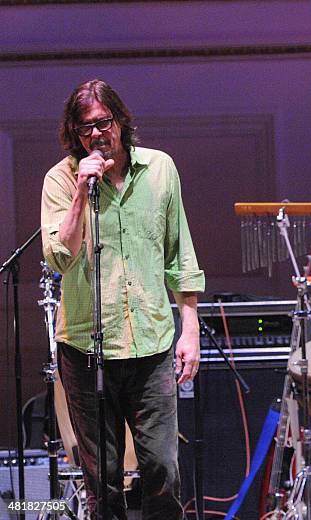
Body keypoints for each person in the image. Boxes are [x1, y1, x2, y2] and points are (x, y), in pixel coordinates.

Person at [41, 79, 205, 519]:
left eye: (103, 123)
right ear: (74, 135)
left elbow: (179, 253)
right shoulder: (60, 180)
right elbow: (59, 257)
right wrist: (80, 190)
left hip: (151, 345)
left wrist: (190, 328)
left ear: (121, 120)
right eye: (84, 128)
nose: (96, 134)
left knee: (162, 470)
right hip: (85, 349)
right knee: (103, 481)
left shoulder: (160, 169)